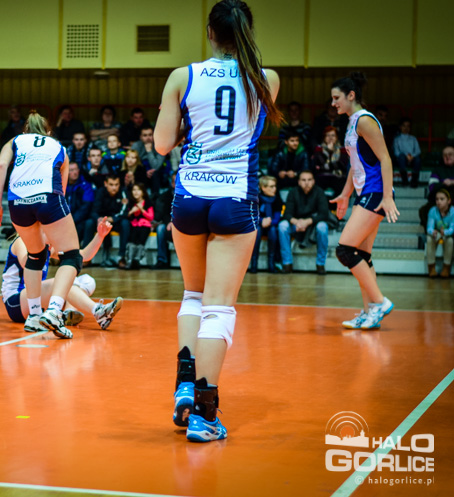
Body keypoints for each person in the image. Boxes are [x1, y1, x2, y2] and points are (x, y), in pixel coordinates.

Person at [154, 0, 281, 443]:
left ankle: (185, 386)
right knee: (219, 307)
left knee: (193, 294)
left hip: (189, 196)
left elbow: (162, 144)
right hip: (234, 198)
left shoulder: (181, 76)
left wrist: (186, 125)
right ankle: (205, 415)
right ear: (247, 31)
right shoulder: (266, 79)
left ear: (209, 32)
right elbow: (253, 127)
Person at [0, 110, 81, 339]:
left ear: (26, 130)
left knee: (35, 255)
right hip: (48, 197)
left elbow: (1, 166)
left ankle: (33, 316)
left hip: (17, 201)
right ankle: (54, 311)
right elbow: (62, 189)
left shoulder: (15, 141)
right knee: (71, 256)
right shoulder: (58, 146)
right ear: (48, 131)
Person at [328, 72, 399, 330]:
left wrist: (387, 196)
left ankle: (379, 302)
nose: (333, 103)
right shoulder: (351, 122)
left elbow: (385, 158)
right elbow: (355, 164)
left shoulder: (365, 121)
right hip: (365, 192)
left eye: (337, 98)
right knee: (362, 256)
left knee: (345, 250)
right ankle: (370, 313)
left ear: (351, 95)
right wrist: (345, 194)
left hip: (375, 192)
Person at [1, 218, 123, 331]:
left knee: (87, 281)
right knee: (61, 282)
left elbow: (84, 256)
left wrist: (100, 236)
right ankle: (97, 311)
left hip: (37, 301)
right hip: (15, 303)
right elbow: (27, 264)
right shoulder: (21, 241)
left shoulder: (47, 247)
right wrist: (47, 248)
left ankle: (69, 312)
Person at [277, 170, 330, 274]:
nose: (306, 183)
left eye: (309, 180)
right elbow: (287, 214)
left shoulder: (319, 192)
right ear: (299, 182)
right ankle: (287, 263)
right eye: (303, 180)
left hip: (313, 224)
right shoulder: (293, 192)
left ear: (313, 181)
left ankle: (320, 264)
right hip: (297, 224)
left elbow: (324, 214)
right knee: (282, 226)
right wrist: (297, 222)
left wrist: (307, 222)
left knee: (323, 227)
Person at [83, 174, 130, 268]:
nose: (114, 187)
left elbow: (124, 211)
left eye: (116, 184)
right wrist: (99, 219)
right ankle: (86, 257)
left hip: (116, 221)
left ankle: (122, 257)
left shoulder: (123, 192)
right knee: (89, 223)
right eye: (111, 184)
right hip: (102, 221)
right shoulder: (100, 192)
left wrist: (113, 219)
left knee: (125, 223)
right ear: (105, 184)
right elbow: (94, 211)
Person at [249, 175, 283, 273]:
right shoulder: (255, 199)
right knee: (257, 230)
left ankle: (271, 264)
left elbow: (277, 218)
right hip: (259, 224)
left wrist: (270, 221)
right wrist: (261, 221)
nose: (274, 189)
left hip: (271, 225)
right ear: (263, 188)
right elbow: (252, 215)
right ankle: (254, 264)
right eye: (271, 186)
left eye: (275, 186)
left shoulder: (277, 199)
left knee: (273, 230)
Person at [132, 124, 168, 196]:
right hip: (141, 172)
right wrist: (144, 171)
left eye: (150, 135)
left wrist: (149, 151)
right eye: (145, 135)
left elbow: (156, 166)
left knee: (155, 174)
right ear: (140, 137)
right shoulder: (136, 145)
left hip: (158, 173)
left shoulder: (161, 145)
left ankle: (155, 197)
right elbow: (133, 163)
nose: (148, 138)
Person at [312, 126, 349, 196]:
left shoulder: (343, 150)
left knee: (341, 185)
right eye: (328, 135)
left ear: (337, 137)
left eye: (333, 135)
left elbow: (342, 165)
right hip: (322, 177)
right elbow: (318, 165)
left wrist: (326, 166)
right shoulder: (318, 149)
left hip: (338, 177)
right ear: (324, 137)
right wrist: (328, 151)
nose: (330, 138)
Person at [125, 183, 154, 269]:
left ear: (143, 192)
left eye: (138, 190)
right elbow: (126, 215)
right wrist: (131, 211)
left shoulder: (148, 203)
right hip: (134, 225)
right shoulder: (131, 203)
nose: (136, 192)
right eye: (134, 190)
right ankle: (130, 260)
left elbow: (151, 217)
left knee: (141, 240)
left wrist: (142, 209)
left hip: (144, 226)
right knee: (132, 240)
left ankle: (137, 260)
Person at [426, 188, 453, 278]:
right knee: (429, 238)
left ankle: (446, 267)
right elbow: (429, 227)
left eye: (442, 199)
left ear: (448, 201)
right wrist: (432, 232)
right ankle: (431, 267)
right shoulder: (433, 211)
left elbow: (452, 228)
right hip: (437, 234)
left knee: (450, 241)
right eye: (437, 199)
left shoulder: (453, 211)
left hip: (447, 234)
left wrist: (445, 232)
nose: (439, 202)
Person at [65, 161, 95, 243]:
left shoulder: (85, 186)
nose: (74, 172)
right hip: (65, 219)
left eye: (76, 169)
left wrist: (71, 221)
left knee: (85, 225)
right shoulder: (62, 185)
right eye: (71, 170)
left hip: (79, 219)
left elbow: (85, 207)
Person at [153, 174, 175, 269]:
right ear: (172, 183)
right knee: (160, 228)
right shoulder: (166, 196)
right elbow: (164, 213)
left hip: (184, 224)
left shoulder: (189, 195)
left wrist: (176, 222)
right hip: (169, 224)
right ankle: (162, 260)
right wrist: (170, 222)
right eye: (175, 181)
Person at [393, 117, 422, 188]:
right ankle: (404, 180)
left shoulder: (413, 138)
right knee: (401, 157)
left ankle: (414, 181)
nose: (406, 128)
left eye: (408, 126)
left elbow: (418, 151)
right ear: (400, 127)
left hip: (412, 159)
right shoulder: (397, 139)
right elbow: (396, 152)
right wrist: (406, 156)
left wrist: (412, 156)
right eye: (404, 126)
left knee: (418, 159)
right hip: (402, 160)